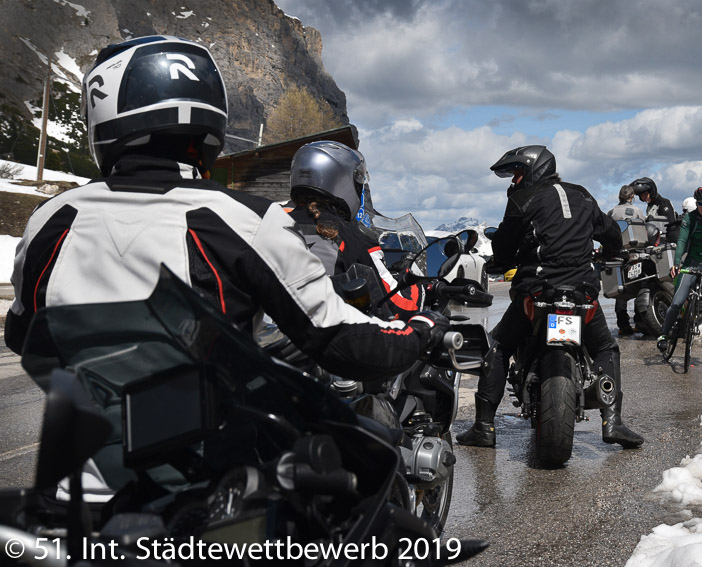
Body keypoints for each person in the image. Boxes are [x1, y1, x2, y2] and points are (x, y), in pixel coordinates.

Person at [5, 36, 445, 381]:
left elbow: (23, 335)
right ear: (209, 121)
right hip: (210, 480)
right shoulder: (244, 220)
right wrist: (422, 327)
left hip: (75, 479)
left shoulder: (52, 216)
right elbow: (343, 342)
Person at [456, 145, 643, 449]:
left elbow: (503, 246)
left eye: (517, 173)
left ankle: (484, 426)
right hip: (583, 292)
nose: (514, 181)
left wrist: (501, 262)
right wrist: (611, 253)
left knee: (499, 345)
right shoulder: (583, 195)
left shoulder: (522, 200)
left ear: (533, 170)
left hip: (539, 292)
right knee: (606, 348)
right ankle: (614, 422)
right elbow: (611, 233)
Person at [287, 140, 423, 319]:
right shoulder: (352, 238)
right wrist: (414, 279)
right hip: (327, 337)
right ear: (341, 181)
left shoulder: (273, 224)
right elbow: (401, 306)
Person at [656, 187, 702, 369]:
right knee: (677, 302)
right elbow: (681, 241)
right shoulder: (690, 218)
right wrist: (677, 263)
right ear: (696, 203)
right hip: (691, 263)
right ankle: (664, 335)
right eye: (700, 204)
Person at [608, 184, 646, 335]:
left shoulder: (611, 212)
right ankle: (640, 321)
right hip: (635, 254)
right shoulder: (637, 211)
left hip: (619, 254)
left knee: (621, 289)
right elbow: (644, 230)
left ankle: (623, 325)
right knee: (639, 286)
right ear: (632, 197)